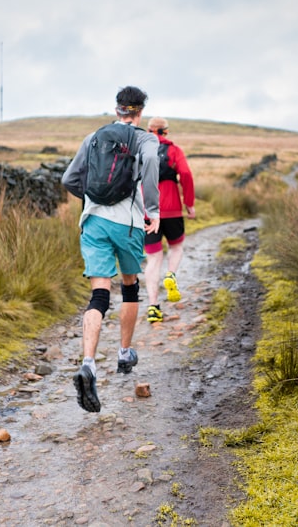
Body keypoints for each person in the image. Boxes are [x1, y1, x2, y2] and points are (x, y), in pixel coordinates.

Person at [61, 86, 161, 413]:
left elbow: (69, 179)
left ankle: (88, 363)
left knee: (99, 293)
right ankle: (123, 353)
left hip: (92, 221)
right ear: (140, 111)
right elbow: (148, 166)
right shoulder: (145, 139)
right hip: (127, 222)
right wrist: (154, 209)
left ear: (117, 108)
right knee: (129, 283)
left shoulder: (93, 136)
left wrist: (93, 198)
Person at [143, 117, 195, 323]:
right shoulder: (174, 150)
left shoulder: (141, 151)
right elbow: (186, 174)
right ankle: (171, 274)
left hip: (148, 211)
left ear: (149, 131)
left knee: (153, 259)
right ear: (166, 131)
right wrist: (189, 203)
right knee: (176, 247)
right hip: (172, 207)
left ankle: (153, 307)